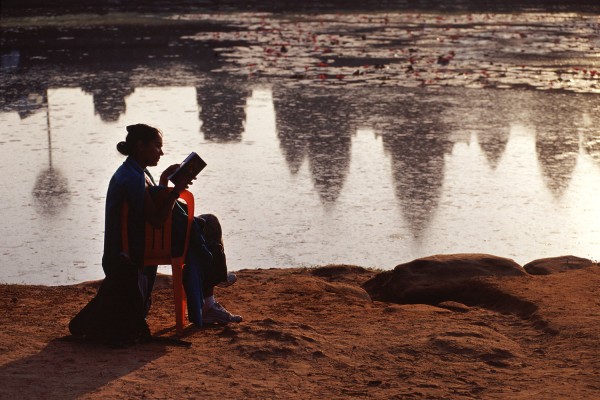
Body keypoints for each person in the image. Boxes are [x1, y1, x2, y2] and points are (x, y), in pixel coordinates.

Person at [69, 124, 241, 343]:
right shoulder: (134, 177)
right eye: (157, 146)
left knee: (204, 224)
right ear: (140, 146)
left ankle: (213, 279)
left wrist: (163, 182)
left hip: (139, 242)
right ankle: (213, 278)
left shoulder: (135, 171)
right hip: (138, 248)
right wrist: (176, 190)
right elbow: (157, 221)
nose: (161, 152)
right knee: (209, 224)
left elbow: (151, 206)